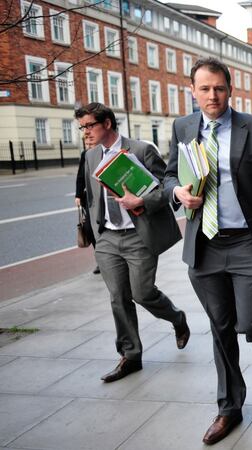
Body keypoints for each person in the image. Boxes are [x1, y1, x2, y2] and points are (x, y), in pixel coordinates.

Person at [164, 57, 252, 446]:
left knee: (251, 323)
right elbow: (169, 173)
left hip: (247, 243)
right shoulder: (183, 127)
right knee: (220, 331)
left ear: (230, 89)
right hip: (205, 244)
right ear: (193, 91)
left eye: (219, 88)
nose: (212, 95)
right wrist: (178, 192)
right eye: (205, 88)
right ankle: (229, 408)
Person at [75, 103, 190, 383]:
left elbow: (168, 188)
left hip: (138, 235)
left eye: (89, 125)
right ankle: (131, 355)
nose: (85, 132)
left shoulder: (140, 150)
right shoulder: (90, 156)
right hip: (108, 238)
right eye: (82, 127)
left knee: (142, 293)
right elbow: (90, 196)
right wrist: (96, 231)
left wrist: (141, 201)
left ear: (108, 124)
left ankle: (177, 319)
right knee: (118, 297)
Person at [74, 146, 100, 274]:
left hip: (105, 198)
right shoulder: (86, 154)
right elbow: (80, 175)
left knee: (103, 230)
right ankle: (101, 261)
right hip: (89, 199)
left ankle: (110, 259)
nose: (88, 135)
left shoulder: (106, 150)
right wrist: (78, 195)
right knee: (90, 229)